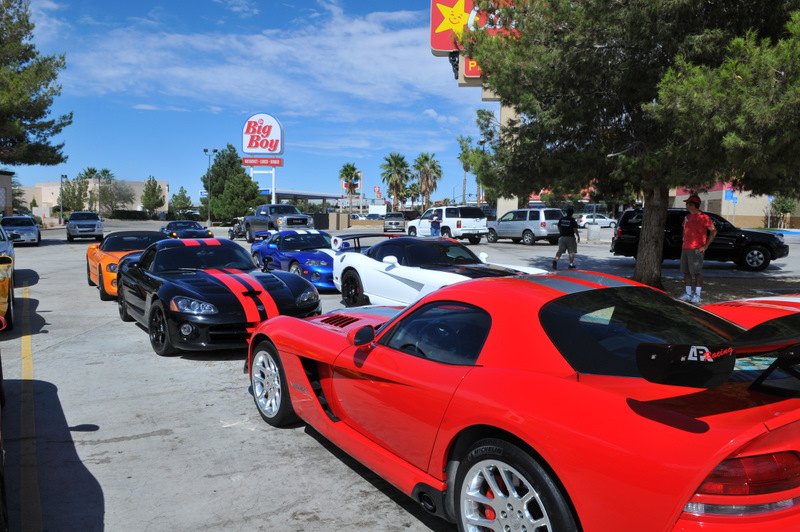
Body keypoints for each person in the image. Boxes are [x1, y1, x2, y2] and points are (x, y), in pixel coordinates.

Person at [680, 194, 717, 303]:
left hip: (696, 249)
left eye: (688, 203)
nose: (686, 205)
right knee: (686, 272)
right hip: (685, 248)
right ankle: (688, 293)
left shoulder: (704, 217)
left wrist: (705, 246)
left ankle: (697, 294)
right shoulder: (687, 217)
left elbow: (713, 231)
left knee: (697, 272)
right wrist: (684, 239)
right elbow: (684, 230)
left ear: (693, 205)